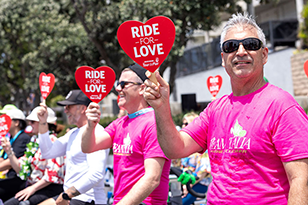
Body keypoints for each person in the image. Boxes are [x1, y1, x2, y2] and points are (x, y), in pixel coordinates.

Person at [143, 13, 308, 204]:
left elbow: (301, 180)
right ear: (223, 59)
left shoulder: (282, 106)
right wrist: (161, 107)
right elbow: (175, 148)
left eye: (251, 44)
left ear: (264, 55)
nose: (240, 51)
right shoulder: (216, 109)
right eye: (231, 47)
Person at [82, 63, 171, 205]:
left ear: (142, 88)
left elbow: (152, 178)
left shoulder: (153, 123)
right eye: (118, 83)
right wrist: (89, 125)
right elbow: (88, 147)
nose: (117, 88)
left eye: (123, 84)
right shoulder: (120, 123)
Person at [37, 90, 109, 205]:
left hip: (87, 200)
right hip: (72, 197)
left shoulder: (97, 131)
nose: (65, 110)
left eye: (69, 106)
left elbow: (96, 174)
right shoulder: (73, 133)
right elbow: (47, 152)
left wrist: (67, 194)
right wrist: (42, 122)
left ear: (82, 108)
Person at [2, 106, 65, 205]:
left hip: (49, 189)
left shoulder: (52, 141)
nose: (30, 124)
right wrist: (9, 151)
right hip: (34, 187)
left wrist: (32, 188)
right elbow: (20, 169)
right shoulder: (35, 142)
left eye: (33, 121)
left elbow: (52, 175)